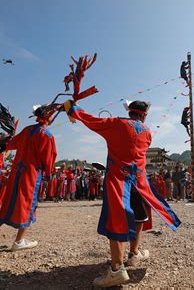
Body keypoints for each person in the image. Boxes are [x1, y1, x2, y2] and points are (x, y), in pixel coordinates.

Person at [64, 99, 181, 287]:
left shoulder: (116, 124)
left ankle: (116, 270)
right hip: (139, 181)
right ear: (145, 115)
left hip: (119, 179)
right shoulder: (147, 131)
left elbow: (91, 120)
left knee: (117, 220)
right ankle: (133, 255)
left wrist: (73, 108)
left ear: (129, 112)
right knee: (139, 216)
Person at [0, 104, 57, 252]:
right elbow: (49, 158)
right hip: (31, 173)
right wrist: (47, 173)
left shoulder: (28, 129)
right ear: (48, 116)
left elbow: (12, 144)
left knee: (10, 201)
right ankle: (19, 241)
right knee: (28, 203)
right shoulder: (47, 135)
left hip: (17, 171)